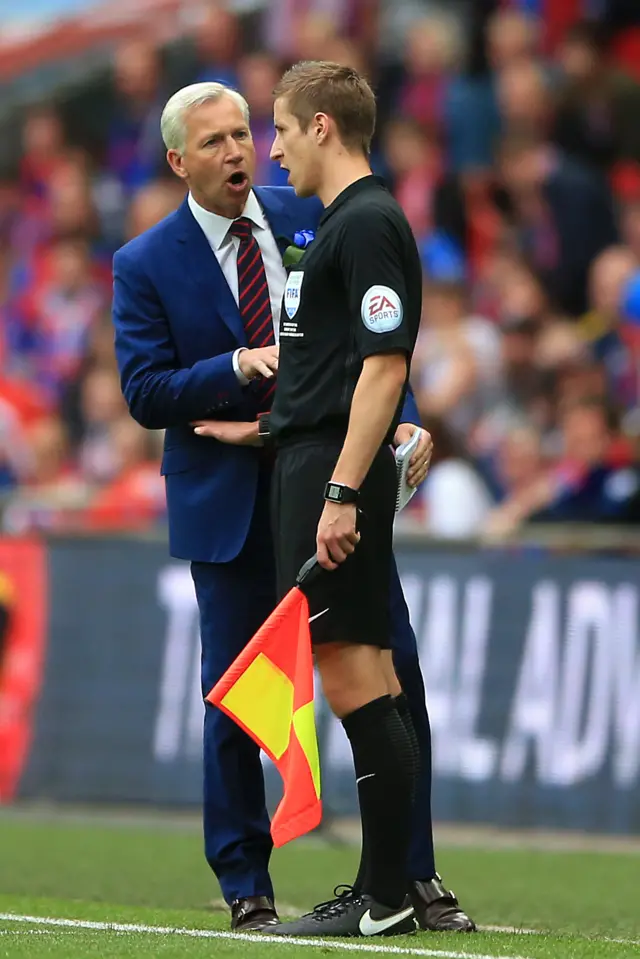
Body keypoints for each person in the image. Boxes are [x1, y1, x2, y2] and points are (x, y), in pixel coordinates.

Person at [112, 81, 474, 935]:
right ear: (178, 162)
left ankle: (408, 872)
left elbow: (371, 338)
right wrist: (238, 366)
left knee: (391, 672)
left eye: (247, 133)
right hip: (231, 504)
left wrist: (408, 414)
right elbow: (144, 389)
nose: (243, 152)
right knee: (240, 696)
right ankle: (248, 886)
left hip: (327, 480)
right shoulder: (144, 262)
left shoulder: (315, 210)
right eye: (217, 143)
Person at [257, 59, 428, 938]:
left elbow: (384, 364)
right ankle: (383, 886)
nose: (273, 147)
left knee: (357, 674)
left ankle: (386, 896)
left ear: (323, 126)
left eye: (282, 128)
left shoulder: (366, 223)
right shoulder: (338, 225)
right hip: (314, 458)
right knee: (369, 677)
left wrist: (340, 489)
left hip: (333, 469)